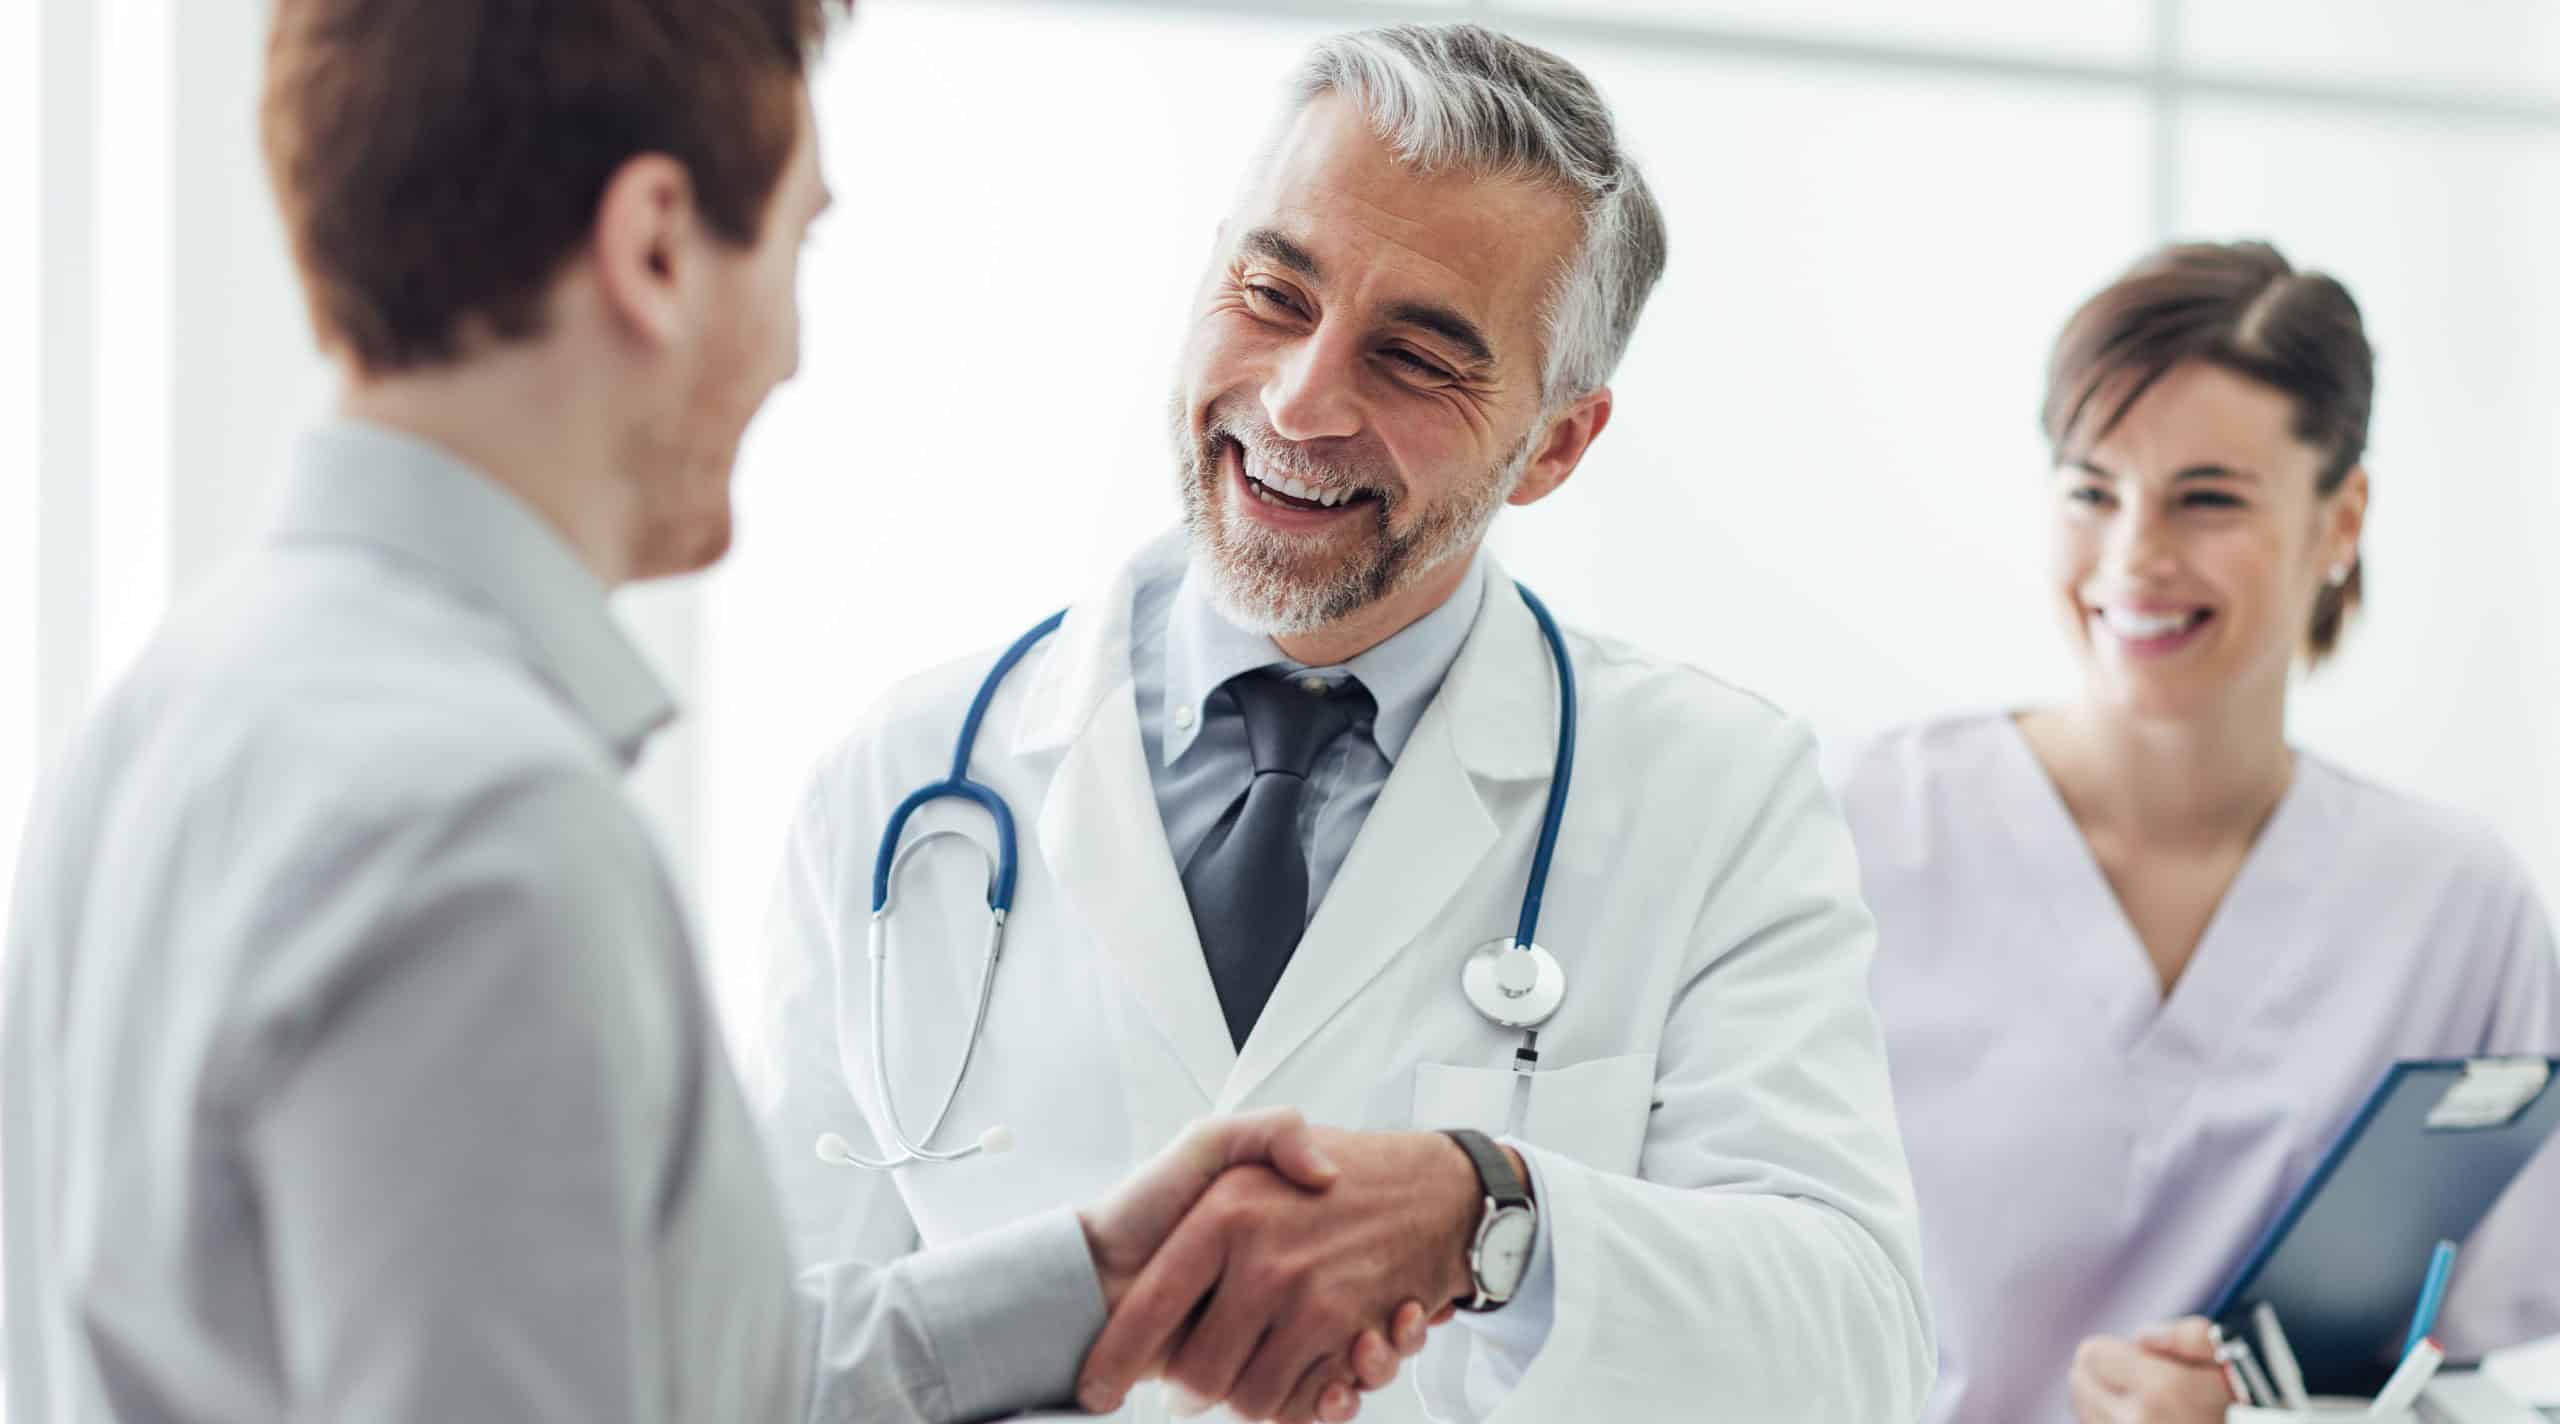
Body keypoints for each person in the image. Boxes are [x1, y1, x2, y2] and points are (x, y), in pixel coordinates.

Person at [0, 2, 1429, 1420]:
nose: (794, 348)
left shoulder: (178, 701)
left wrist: (1095, 1285)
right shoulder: (485, 829)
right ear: (657, 247)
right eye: (798, 240)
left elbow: (654, 1372)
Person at [751, 21, 1934, 1424]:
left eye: (1418, 359)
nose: (1304, 397)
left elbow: (1860, 1346)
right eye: (1272, 292)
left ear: (1555, 442)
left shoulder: (1712, 793)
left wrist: (1490, 1214)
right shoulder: (902, 782)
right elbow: (765, 1351)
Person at [1823, 239, 2560, 1424]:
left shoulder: (2455, 905)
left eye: (2206, 497)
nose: (2134, 557)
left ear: (2340, 519)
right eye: (2090, 490)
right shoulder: (1850, 830)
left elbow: (2491, 1379)